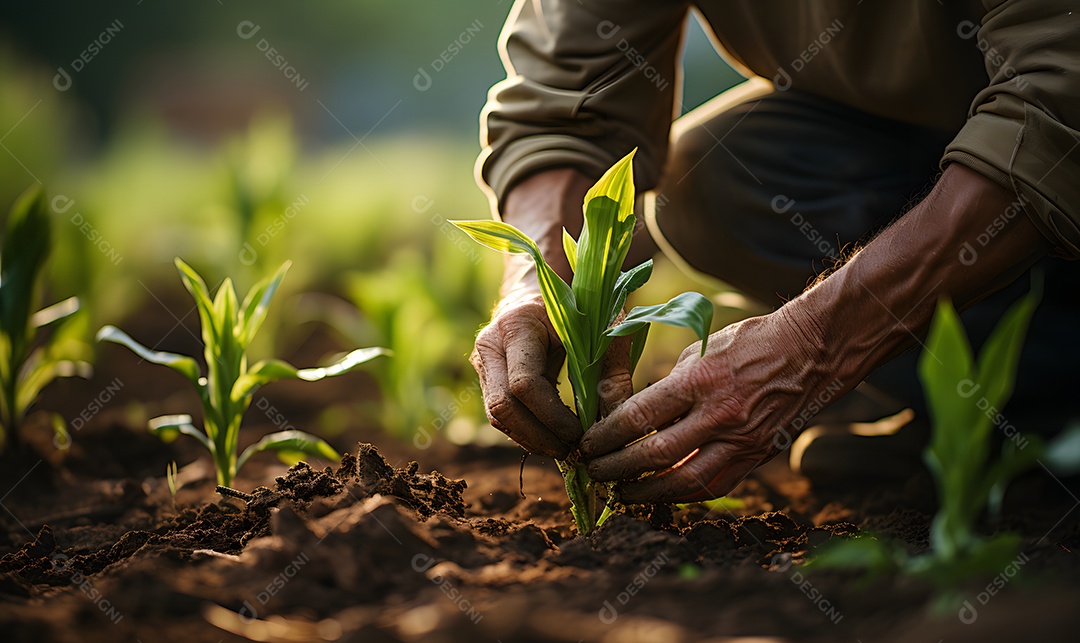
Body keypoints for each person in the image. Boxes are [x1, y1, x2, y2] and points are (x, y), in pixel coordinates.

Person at [469, 1, 1080, 504]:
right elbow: (559, 105)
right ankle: (1015, 409)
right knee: (715, 175)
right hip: (926, 142)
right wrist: (536, 277)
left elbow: (1059, 107)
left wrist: (815, 344)